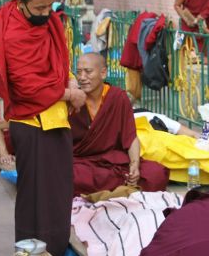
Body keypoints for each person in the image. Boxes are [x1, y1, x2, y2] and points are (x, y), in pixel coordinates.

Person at [0, 0, 86, 256]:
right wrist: (70, 93)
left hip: (54, 118)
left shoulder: (50, 21)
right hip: (30, 122)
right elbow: (27, 86)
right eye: (39, 9)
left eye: (49, 7)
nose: (46, 15)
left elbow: (61, 58)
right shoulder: (14, 33)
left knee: (55, 192)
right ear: (21, 3)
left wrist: (69, 79)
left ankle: (42, 255)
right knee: (36, 195)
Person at [69, 53, 169, 196]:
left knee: (156, 173)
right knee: (72, 177)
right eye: (78, 72)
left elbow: (131, 137)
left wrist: (135, 165)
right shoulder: (74, 100)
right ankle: (122, 190)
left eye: (88, 72)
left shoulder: (117, 97)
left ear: (103, 73)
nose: (82, 77)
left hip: (114, 162)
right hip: (82, 162)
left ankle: (112, 189)